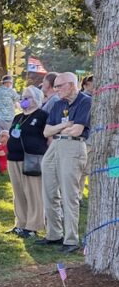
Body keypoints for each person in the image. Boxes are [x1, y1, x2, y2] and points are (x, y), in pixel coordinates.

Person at [38, 72, 91, 253]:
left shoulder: (85, 101)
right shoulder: (58, 103)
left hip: (73, 147)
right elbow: (46, 132)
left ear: (71, 85)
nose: (56, 89)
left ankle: (71, 239)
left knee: (70, 194)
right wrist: (64, 126)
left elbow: (77, 131)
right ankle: (54, 234)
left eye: (59, 86)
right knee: (49, 192)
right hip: (55, 146)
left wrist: (62, 128)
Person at [5, 84, 47, 238]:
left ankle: (33, 226)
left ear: (36, 99)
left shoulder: (42, 115)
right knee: (18, 192)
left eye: (27, 97)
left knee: (33, 192)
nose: (23, 100)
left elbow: (48, 138)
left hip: (31, 159)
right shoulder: (18, 117)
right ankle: (20, 223)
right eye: (22, 97)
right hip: (13, 159)